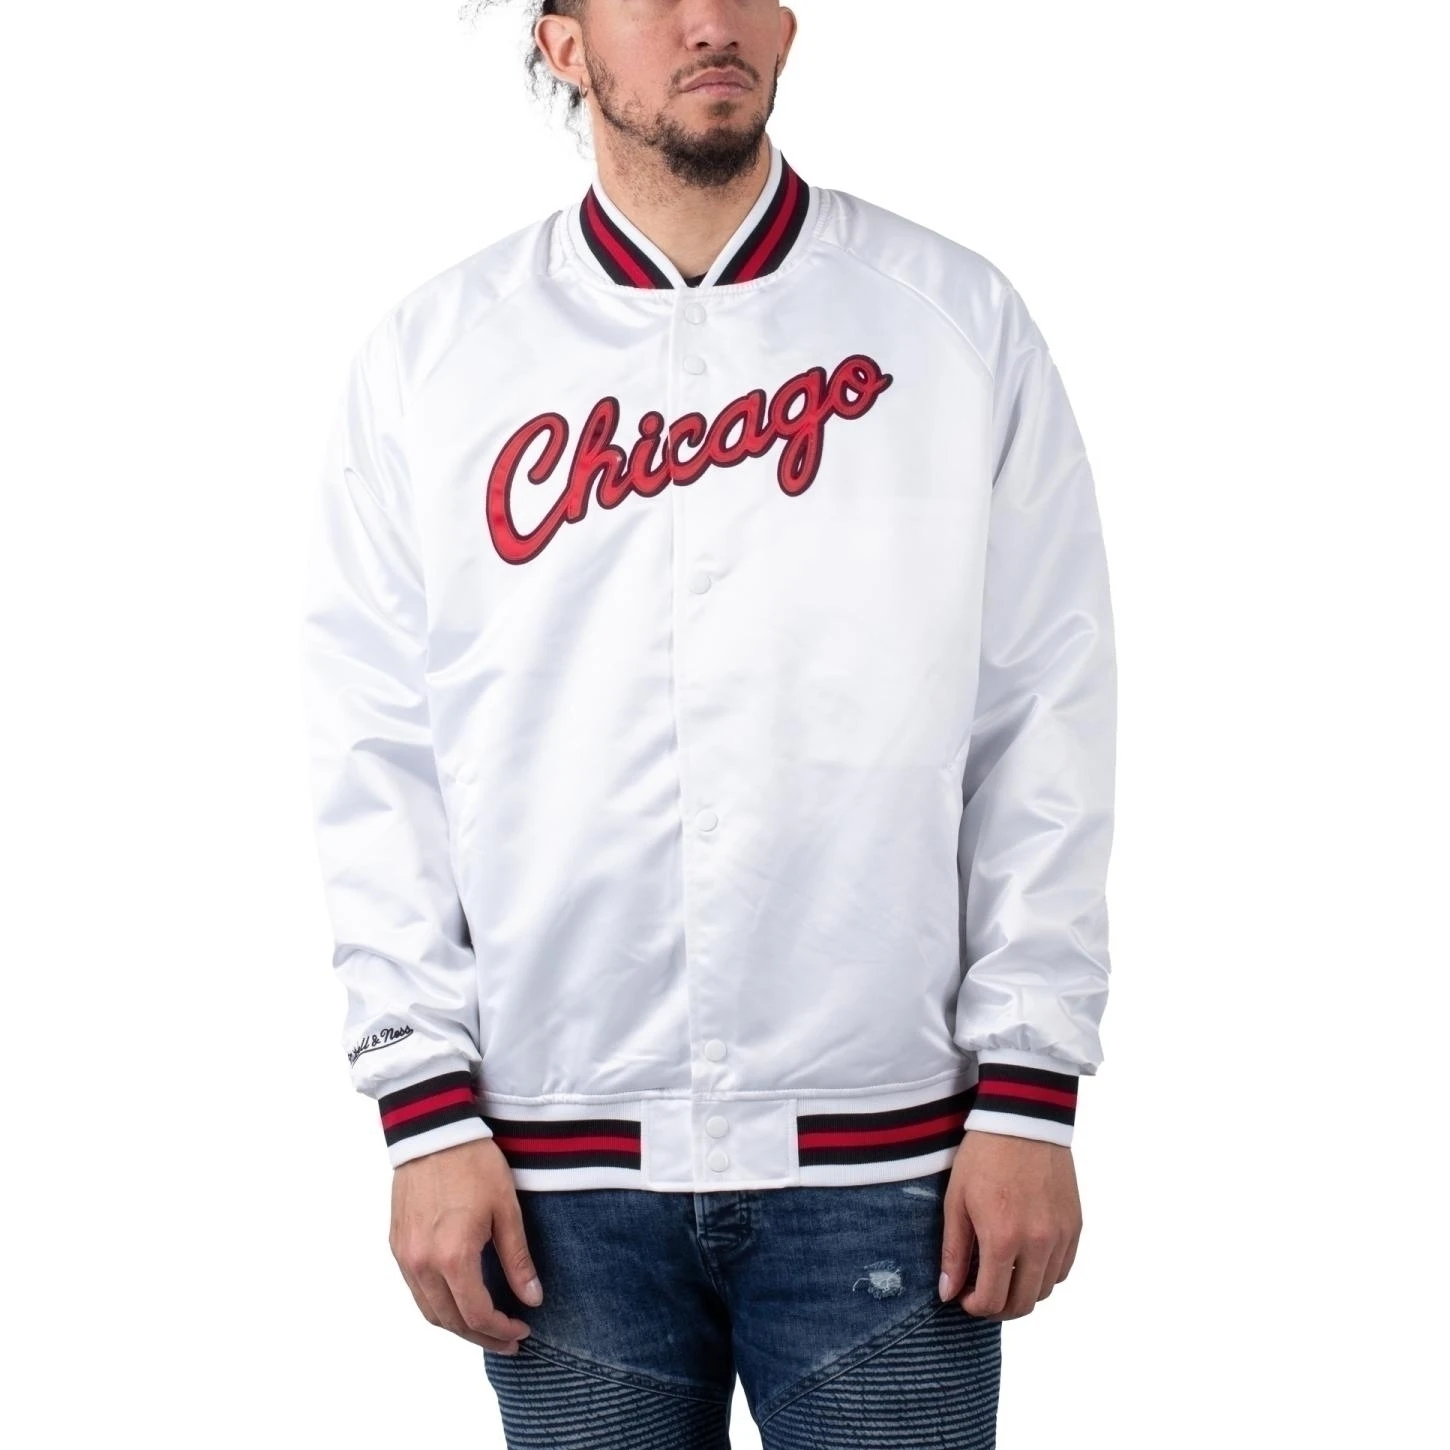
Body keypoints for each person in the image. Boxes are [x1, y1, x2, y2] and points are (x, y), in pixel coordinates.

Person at [298, 2, 1117, 1445]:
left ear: (788, 26)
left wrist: (1028, 1090)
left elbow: (1043, 712)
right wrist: (419, 1100)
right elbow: (379, 748)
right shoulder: (438, 355)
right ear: (562, 45)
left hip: (893, 1154)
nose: (706, 20)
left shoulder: (948, 318)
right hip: (554, 1166)